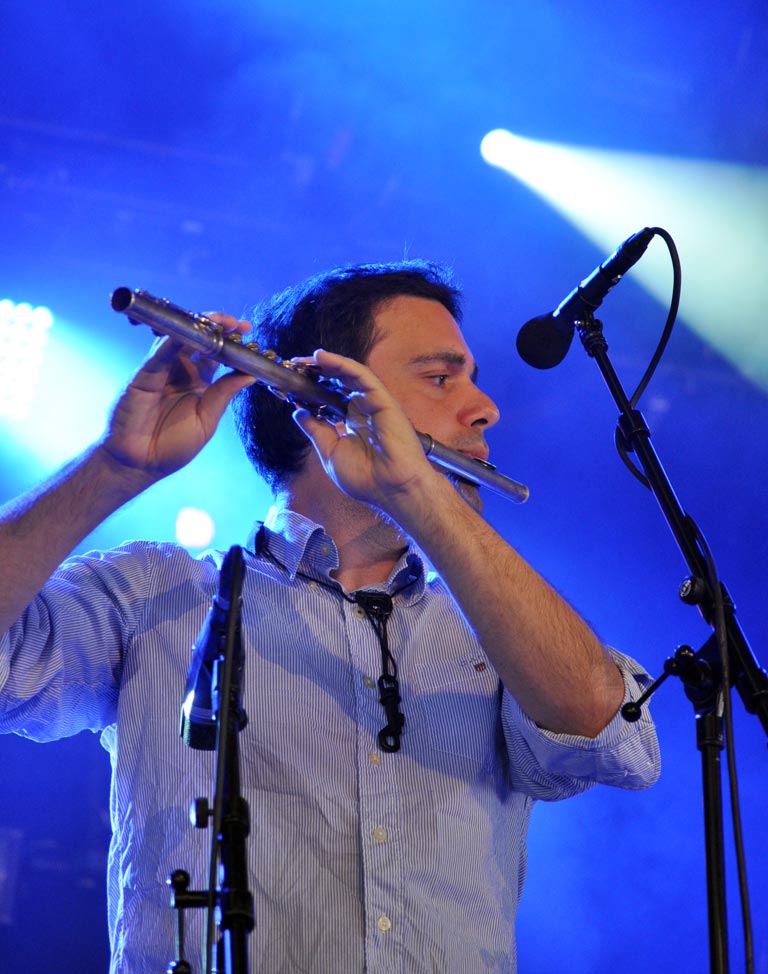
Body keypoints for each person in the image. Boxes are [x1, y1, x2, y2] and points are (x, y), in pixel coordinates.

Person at [0, 260, 659, 973]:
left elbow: (613, 738)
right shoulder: (153, 592)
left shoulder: (496, 625)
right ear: (329, 400)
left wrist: (420, 497)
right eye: (442, 378)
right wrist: (115, 467)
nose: (485, 409)